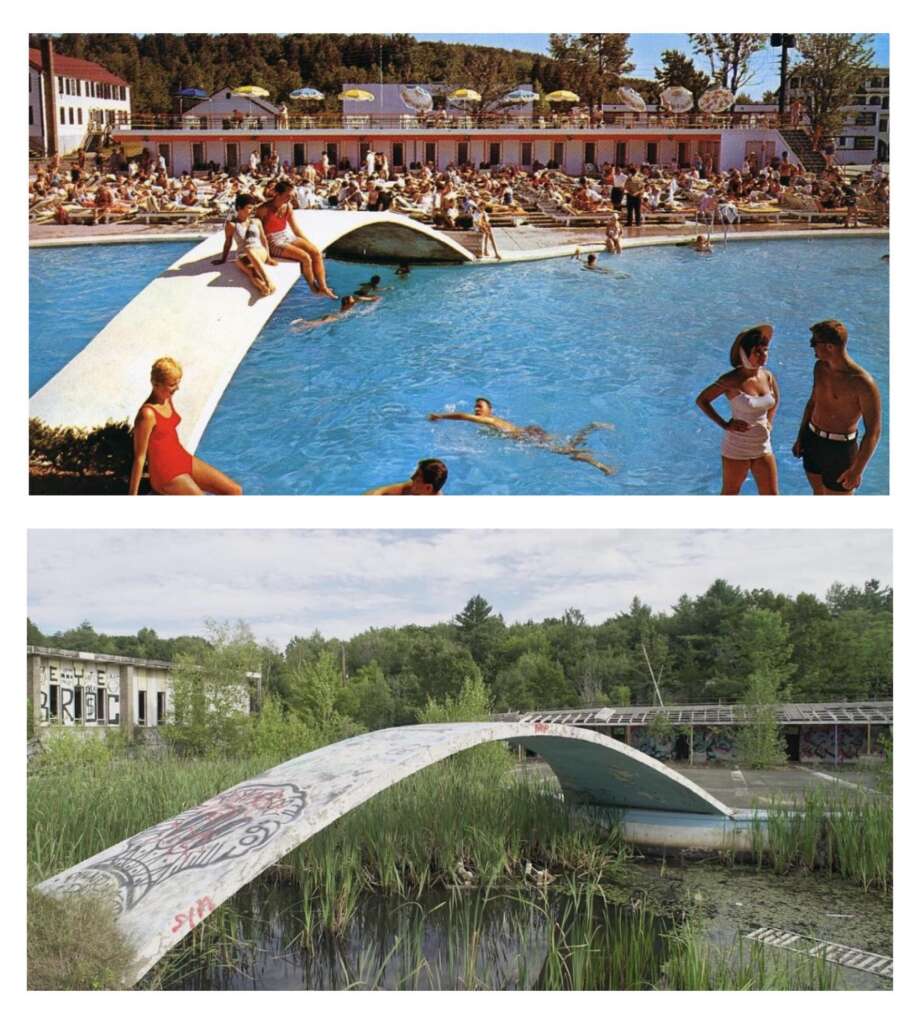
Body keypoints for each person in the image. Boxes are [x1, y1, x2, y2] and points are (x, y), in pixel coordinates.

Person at [792, 320, 882, 495]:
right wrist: (801, 437)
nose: (812, 347)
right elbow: (812, 403)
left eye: (814, 343)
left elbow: (873, 432)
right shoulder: (820, 368)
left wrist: (857, 469)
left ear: (830, 347)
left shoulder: (862, 383)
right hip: (813, 442)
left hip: (840, 450)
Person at [130, 357, 242, 496]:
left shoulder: (166, 398)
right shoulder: (147, 414)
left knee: (235, 491)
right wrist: (132, 496)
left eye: (177, 383)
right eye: (172, 385)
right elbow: (139, 457)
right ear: (156, 384)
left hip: (181, 458)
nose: (177, 388)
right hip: (165, 473)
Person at [428, 397, 615, 476]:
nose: (476, 409)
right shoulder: (492, 422)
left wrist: (440, 416)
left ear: (490, 410)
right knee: (568, 447)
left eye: (480, 407)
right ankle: (591, 429)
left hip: (527, 436)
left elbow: (462, 417)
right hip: (529, 432)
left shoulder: (490, 421)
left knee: (570, 452)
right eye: (476, 406)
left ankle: (602, 464)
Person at [695, 324, 780, 495]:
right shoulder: (730, 380)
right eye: (757, 352)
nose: (763, 355)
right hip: (737, 447)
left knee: (772, 495)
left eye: (765, 350)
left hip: (763, 445)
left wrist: (769, 422)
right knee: (730, 494)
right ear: (744, 353)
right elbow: (702, 400)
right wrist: (725, 425)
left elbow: (775, 400)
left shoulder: (767, 376)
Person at [257, 180, 336, 299]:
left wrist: (309, 244)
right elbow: (257, 231)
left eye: (292, 195)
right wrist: (265, 254)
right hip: (272, 240)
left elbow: (295, 229)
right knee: (305, 258)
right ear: (277, 194)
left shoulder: (288, 206)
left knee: (316, 253)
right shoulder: (264, 209)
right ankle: (313, 288)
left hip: (286, 235)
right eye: (287, 195)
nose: (290, 198)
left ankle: (323, 287)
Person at [214, 193, 277, 297]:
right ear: (239, 207)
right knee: (250, 271)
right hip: (243, 256)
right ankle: (263, 288)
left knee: (248, 249)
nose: (252, 210)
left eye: (253, 208)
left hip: (259, 252)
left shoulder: (256, 221)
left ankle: (267, 280)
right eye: (249, 208)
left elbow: (263, 239)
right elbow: (228, 242)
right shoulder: (232, 225)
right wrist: (223, 259)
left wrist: (269, 258)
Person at [290, 293, 379, 330]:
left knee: (319, 321)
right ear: (347, 303)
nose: (354, 301)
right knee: (319, 323)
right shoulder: (348, 306)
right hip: (336, 317)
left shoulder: (348, 305)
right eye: (352, 301)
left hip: (334, 314)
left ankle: (302, 322)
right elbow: (357, 300)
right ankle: (299, 328)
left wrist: (371, 298)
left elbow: (358, 298)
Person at [365, 458, 448, 495]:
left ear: (428, 488)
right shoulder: (419, 490)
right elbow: (381, 491)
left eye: (417, 476)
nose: (411, 477)